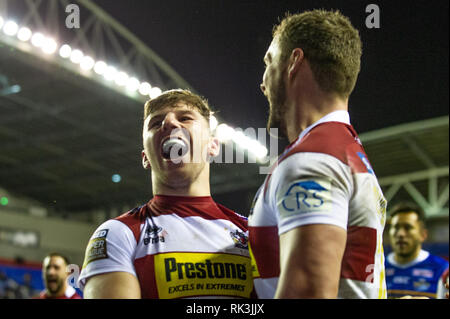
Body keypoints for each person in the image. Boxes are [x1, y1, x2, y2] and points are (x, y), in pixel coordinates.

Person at [248, 9, 387, 298]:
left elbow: (308, 293)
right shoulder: (346, 150)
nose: (262, 82)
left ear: (294, 62)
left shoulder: (311, 160)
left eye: (269, 62)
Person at [77, 89, 253, 299]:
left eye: (185, 118)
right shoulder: (118, 234)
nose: (169, 123)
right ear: (145, 158)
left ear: (212, 146)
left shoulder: (250, 231)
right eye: (155, 123)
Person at [385, 202, 449, 299]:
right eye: (396, 227)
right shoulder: (377, 268)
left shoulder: (442, 269)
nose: (400, 234)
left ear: (423, 234)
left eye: (408, 227)